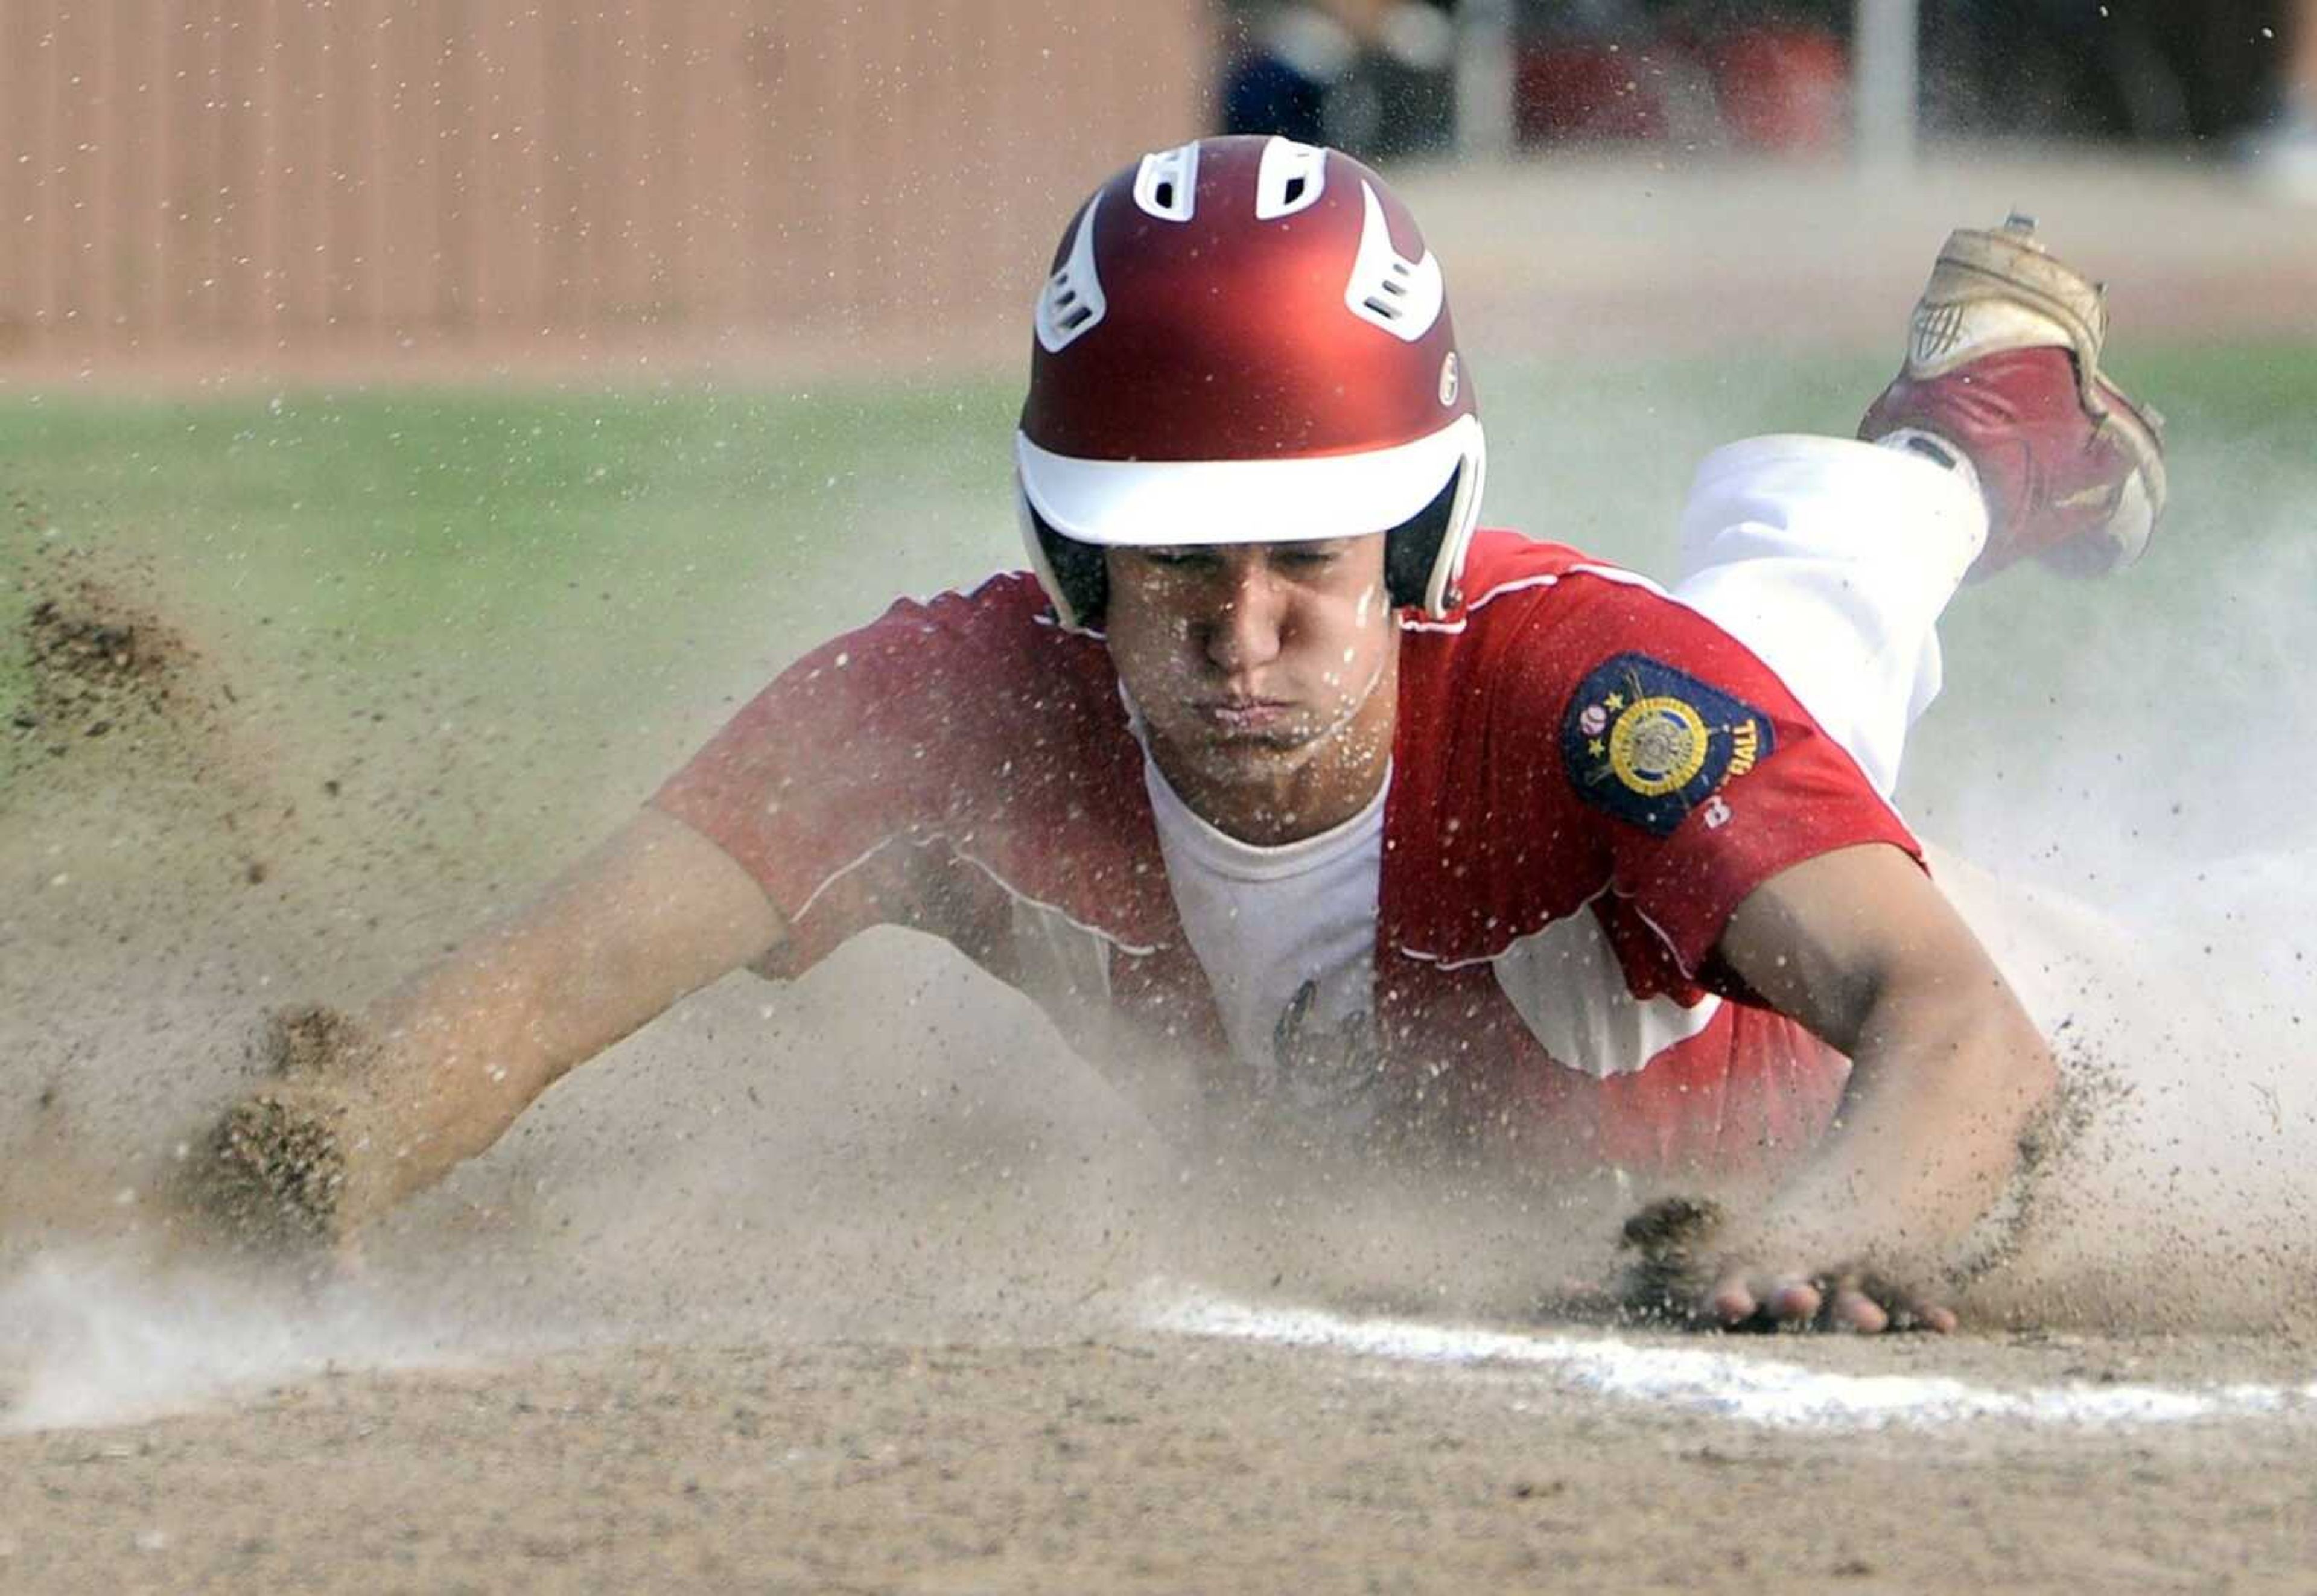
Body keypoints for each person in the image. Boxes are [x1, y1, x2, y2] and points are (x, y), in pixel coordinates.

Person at [183, 137, 2166, 1335]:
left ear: (1418, 529)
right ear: (1065, 551)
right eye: (1167, 566)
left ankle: (1980, 433)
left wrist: (1810, 1242)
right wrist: (334, 1142)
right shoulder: (947, 715)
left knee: (1800, 617)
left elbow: (1969, 1033)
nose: (1239, 635)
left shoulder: (1600, 702)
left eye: (1306, 559)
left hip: (1771, 981)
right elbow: (543, 985)